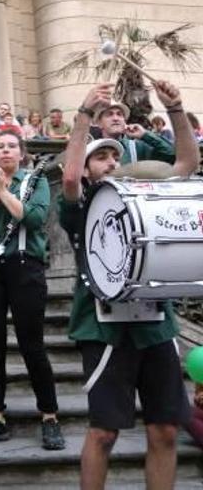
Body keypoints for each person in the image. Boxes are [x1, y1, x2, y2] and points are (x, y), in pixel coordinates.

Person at [60, 81, 198, 490]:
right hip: (104, 329)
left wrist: (175, 109)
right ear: (88, 170)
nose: (107, 161)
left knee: (166, 430)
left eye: (111, 155)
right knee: (104, 432)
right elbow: (68, 178)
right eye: (98, 157)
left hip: (155, 324)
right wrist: (84, 115)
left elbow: (187, 164)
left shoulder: (144, 193)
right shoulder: (81, 207)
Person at [0, 129, 64, 450]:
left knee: (32, 344)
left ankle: (49, 416)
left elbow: (32, 219)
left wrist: (4, 192)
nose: (6, 151)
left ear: (22, 154)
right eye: (0, 147)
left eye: (12, 146)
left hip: (26, 270)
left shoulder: (35, 183)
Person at [95, 99, 175, 165]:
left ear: (124, 121)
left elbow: (172, 154)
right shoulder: (91, 148)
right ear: (99, 123)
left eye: (119, 114)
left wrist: (145, 134)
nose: (116, 118)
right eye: (109, 114)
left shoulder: (137, 147)